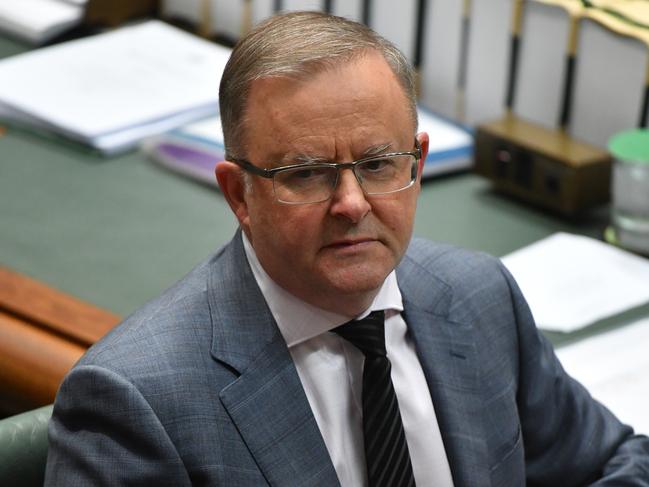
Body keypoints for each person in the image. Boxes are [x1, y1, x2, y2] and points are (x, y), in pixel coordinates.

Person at [45, 11, 649, 487]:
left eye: (380, 164)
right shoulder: (137, 401)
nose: (353, 204)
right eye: (306, 174)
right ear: (239, 193)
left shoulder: (478, 297)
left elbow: (613, 463)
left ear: (418, 159)